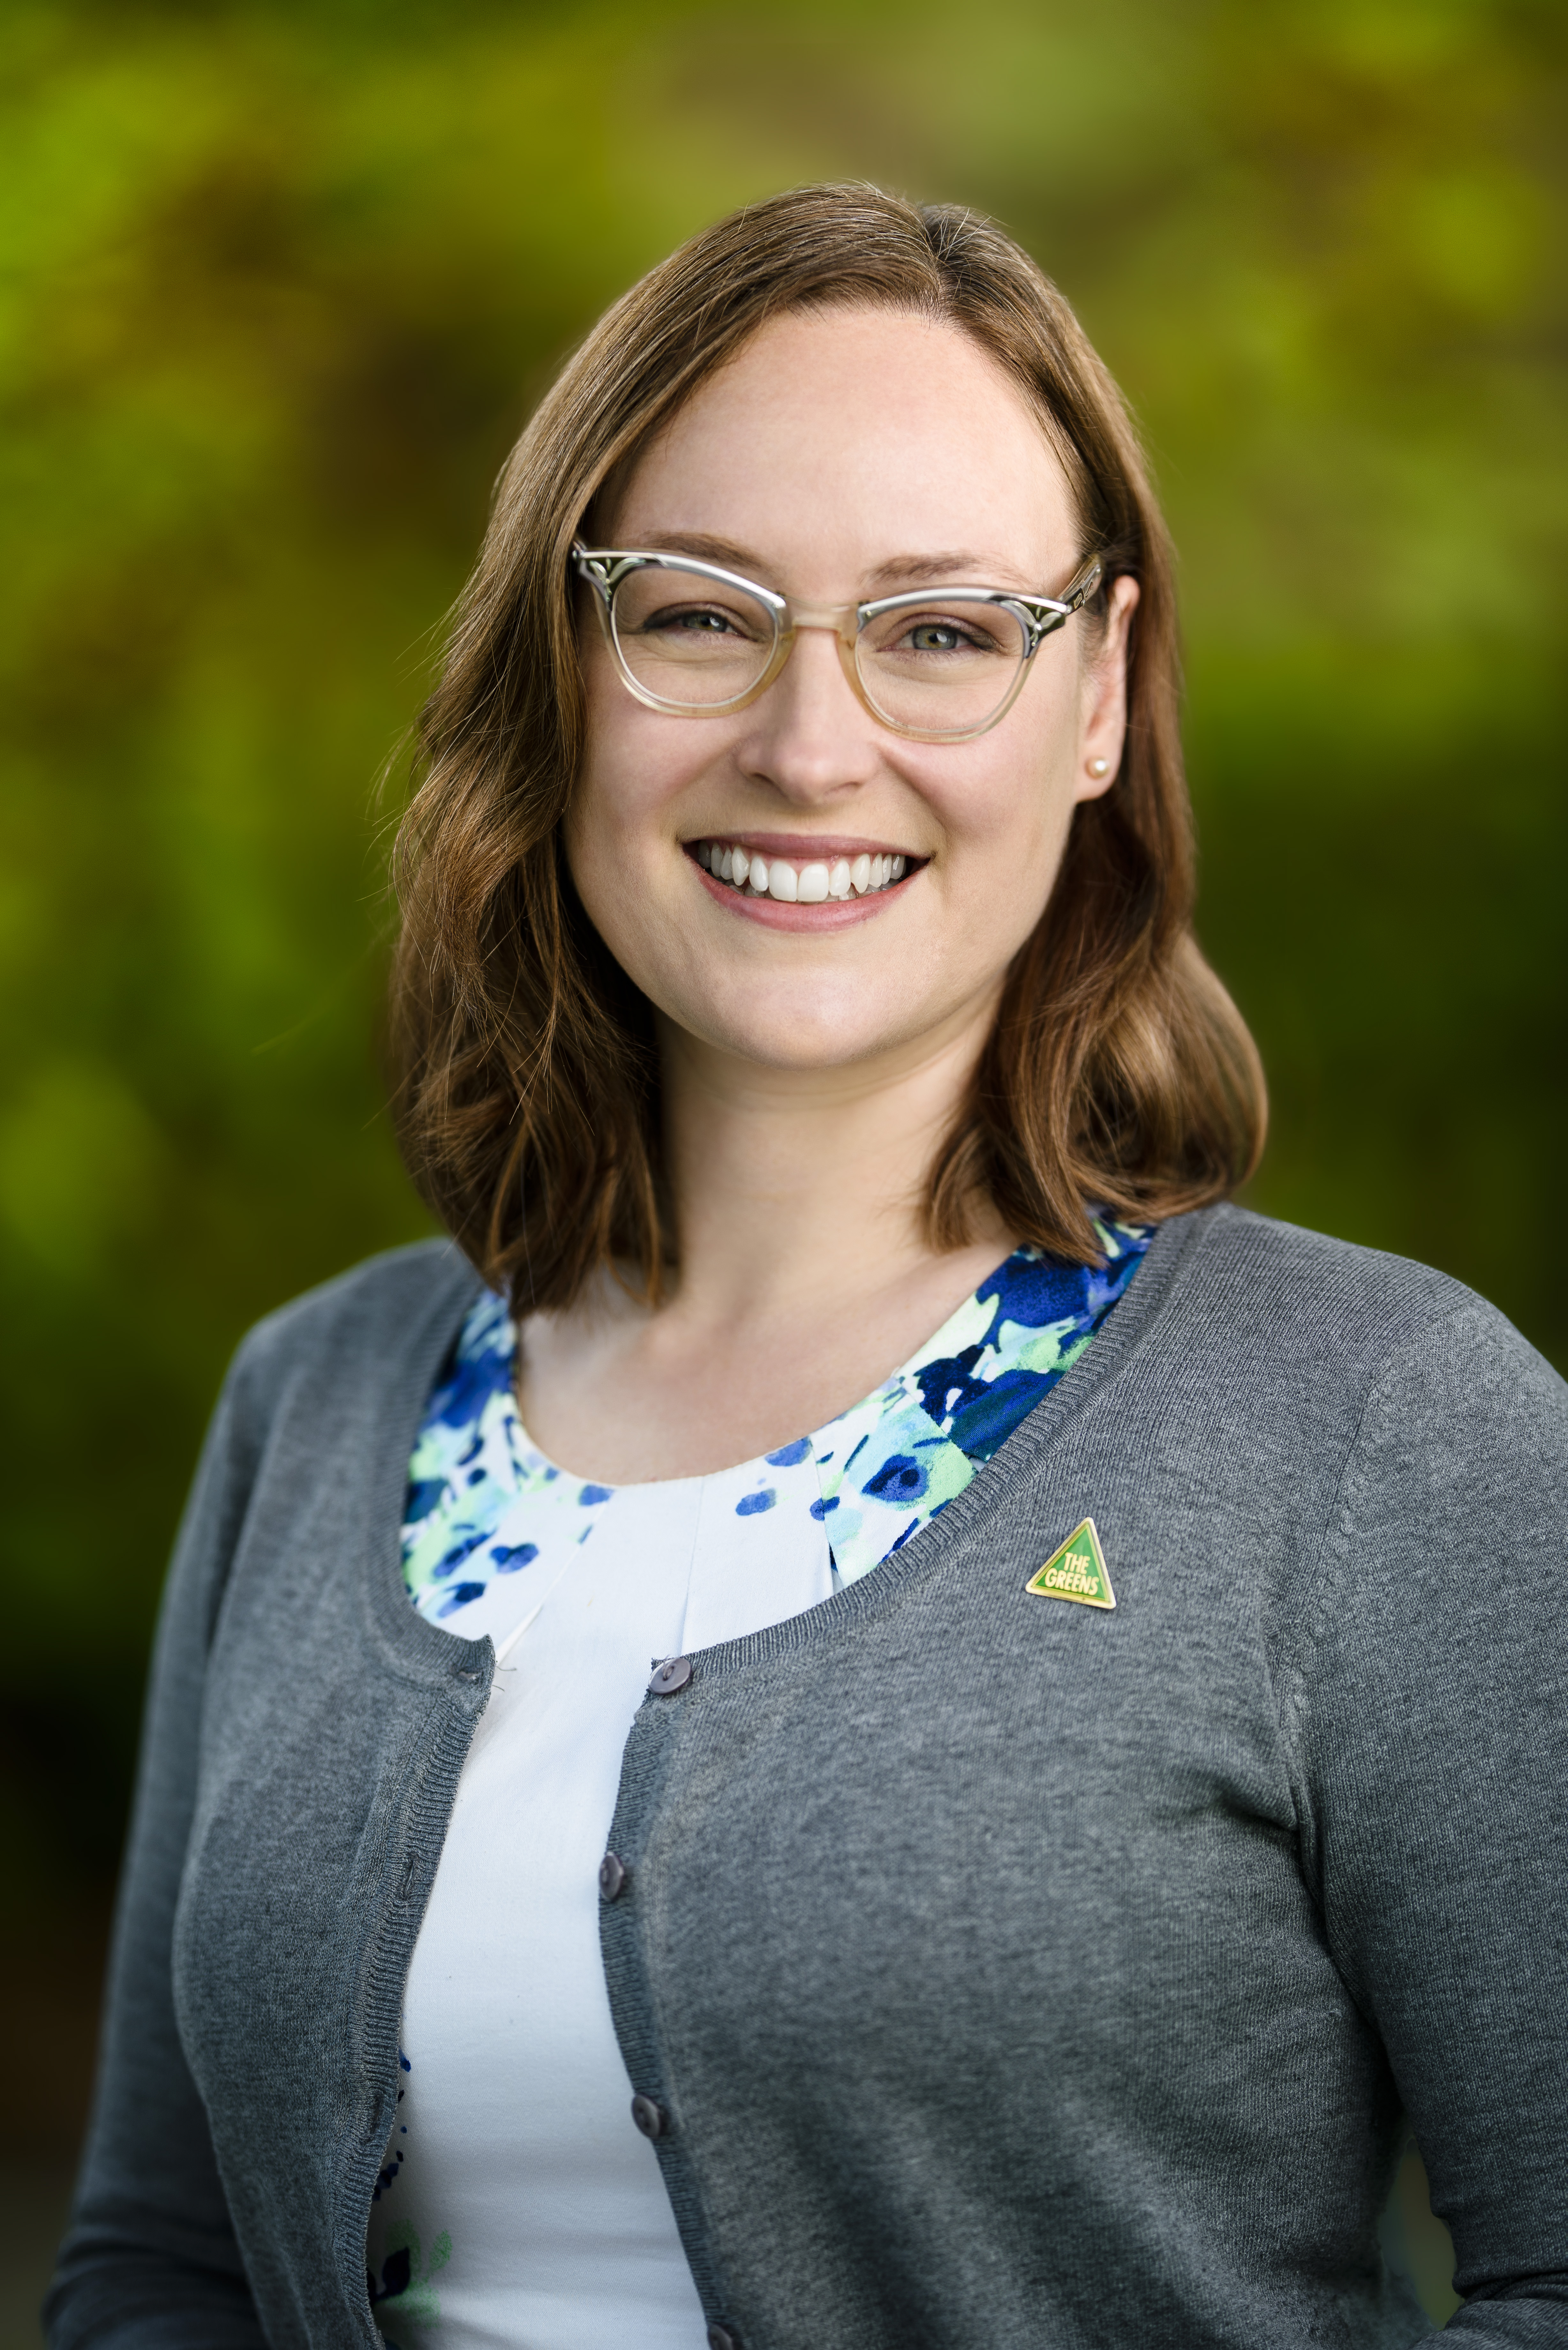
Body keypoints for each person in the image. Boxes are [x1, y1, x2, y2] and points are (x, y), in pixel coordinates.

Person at [46, 183, 1568, 2350]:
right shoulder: (320, 1402)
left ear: (1103, 696)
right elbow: (162, 2270)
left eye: (942, 631)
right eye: (699, 614)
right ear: (564, 670)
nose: (809, 741)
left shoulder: (1384, 1437)